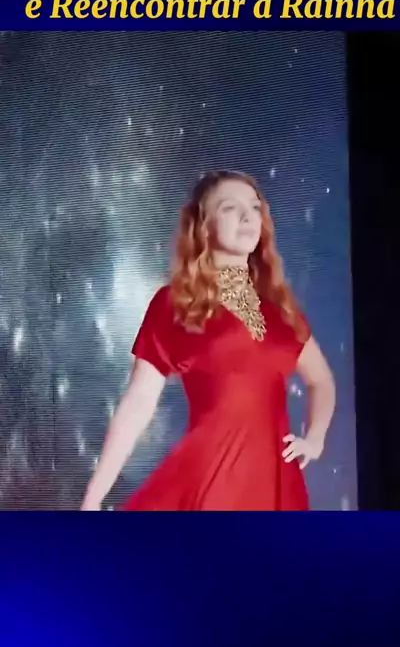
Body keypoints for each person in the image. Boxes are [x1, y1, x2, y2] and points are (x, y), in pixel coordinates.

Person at [81, 170, 335, 511]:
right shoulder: (176, 302)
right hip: (210, 478)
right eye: (230, 208)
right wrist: (93, 499)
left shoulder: (281, 309)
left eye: (255, 207)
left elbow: (321, 380)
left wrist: (315, 439)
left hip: (277, 484)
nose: (247, 216)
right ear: (204, 225)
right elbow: (138, 403)